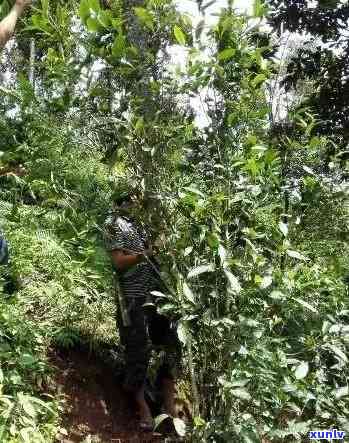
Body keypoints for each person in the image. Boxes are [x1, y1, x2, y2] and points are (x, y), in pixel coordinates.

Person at [104, 189, 181, 431]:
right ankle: (141, 405)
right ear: (125, 199)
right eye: (135, 197)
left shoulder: (142, 225)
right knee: (138, 349)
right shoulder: (113, 224)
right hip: (132, 297)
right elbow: (118, 262)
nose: (139, 202)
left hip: (156, 296)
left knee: (172, 342)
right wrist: (144, 255)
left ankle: (169, 400)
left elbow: (157, 253)